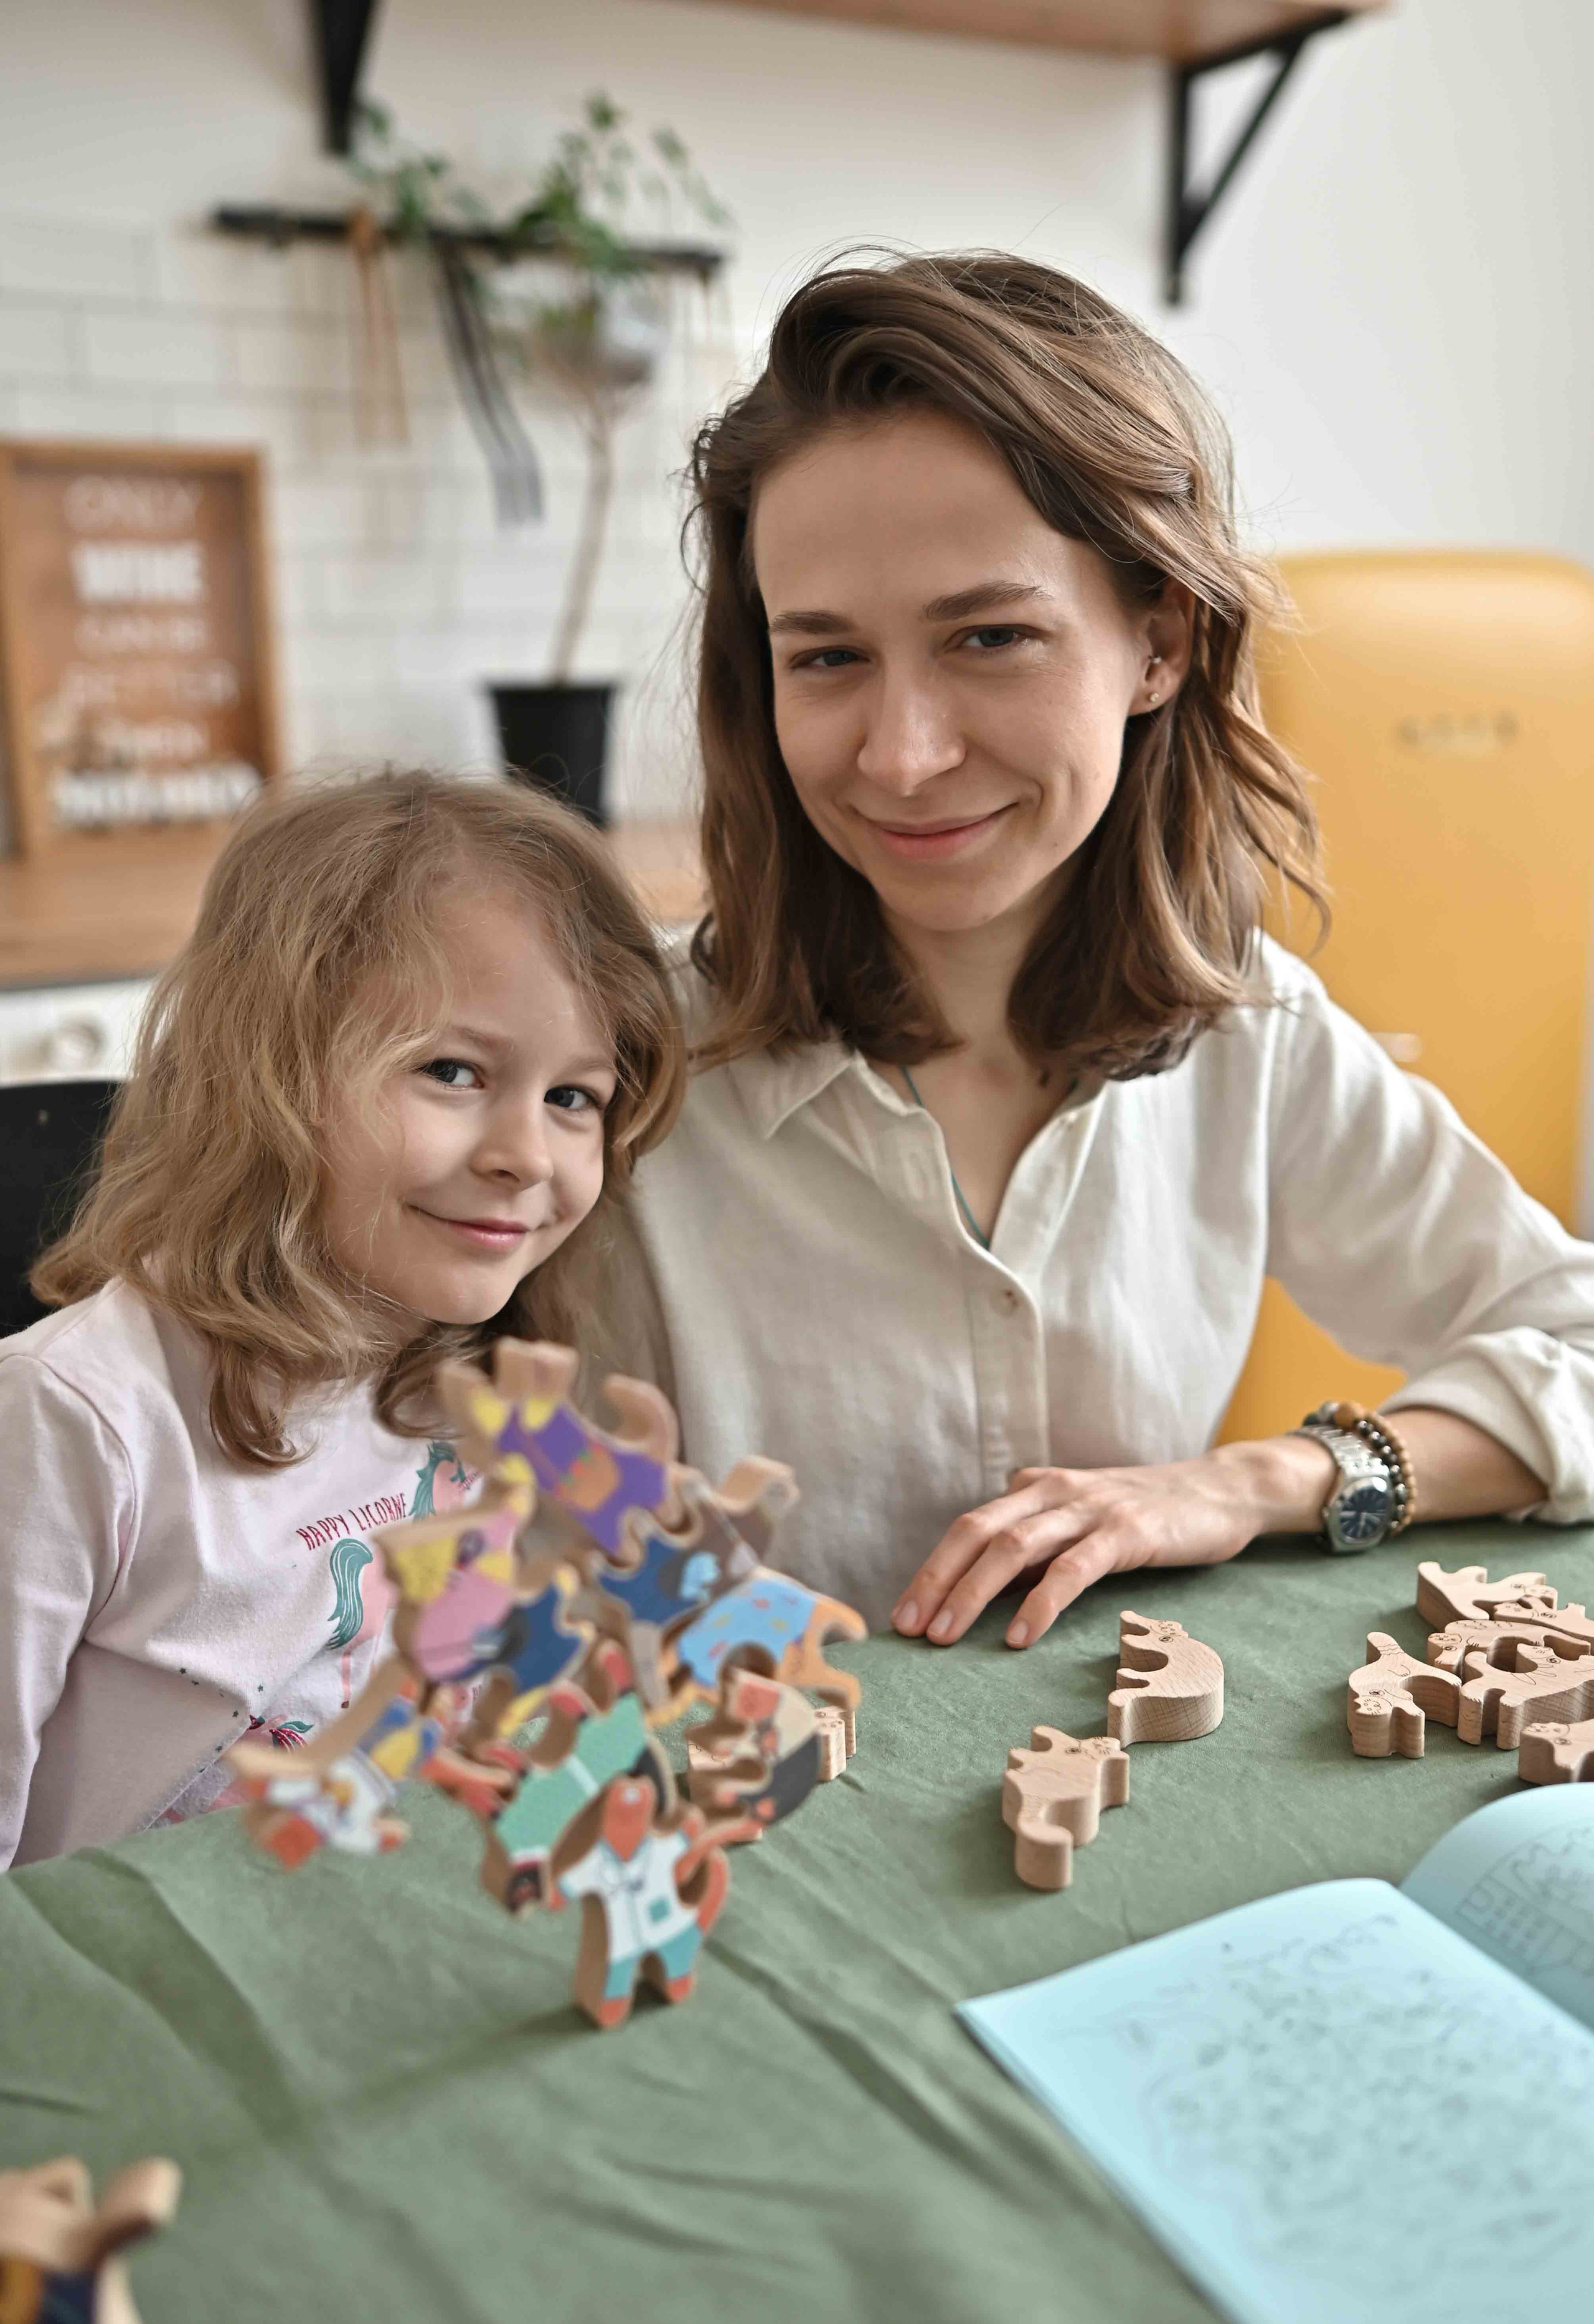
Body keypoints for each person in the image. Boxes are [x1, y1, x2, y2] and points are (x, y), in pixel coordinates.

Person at [594, 250, 1594, 1644]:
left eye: (989, 637)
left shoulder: (1253, 1035)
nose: (901, 753)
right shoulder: (608, 1066)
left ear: (1158, 643)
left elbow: (1576, 1347)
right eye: (824, 658)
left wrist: (1257, 1482)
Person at [0, 771, 683, 1867]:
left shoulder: (460, 1374)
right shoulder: (70, 1419)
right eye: (453, 1071)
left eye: (574, 1097)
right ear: (263, 1074)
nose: (527, 1154)